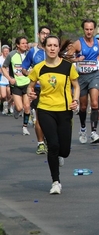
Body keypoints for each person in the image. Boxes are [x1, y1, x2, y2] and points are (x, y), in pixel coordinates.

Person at [27, 35, 80, 194]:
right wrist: (30, 94)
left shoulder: (68, 67)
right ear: (44, 47)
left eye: (55, 45)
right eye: (49, 45)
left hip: (64, 110)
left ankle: (58, 155)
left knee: (64, 151)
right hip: (45, 109)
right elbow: (30, 87)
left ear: (58, 48)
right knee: (54, 145)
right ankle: (55, 182)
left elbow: (76, 86)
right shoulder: (39, 68)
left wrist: (75, 100)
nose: (52, 48)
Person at [68, 19, 99, 144]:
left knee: (94, 103)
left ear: (94, 29)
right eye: (86, 29)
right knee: (83, 107)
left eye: (91, 29)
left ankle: (94, 132)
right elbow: (67, 57)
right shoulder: (78, 43)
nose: (89, 32)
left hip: (94, 75)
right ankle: (83, 128)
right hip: (81, 77)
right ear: (83, 30)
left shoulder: (98, 43)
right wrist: (76, 59)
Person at [21, 26, 51, 155]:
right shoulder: (33, 51)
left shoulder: (52, 50)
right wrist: (31, 76)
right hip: (37, 89)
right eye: (43, 33)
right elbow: (23, 68)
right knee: (40, 117)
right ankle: (40, 144)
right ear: (39, 34)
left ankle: (49, 139)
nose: (45, 35)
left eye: (47, 34)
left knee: (51, 118)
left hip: (52, 90)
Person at [1, 36, 32, 136]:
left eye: (26, 43)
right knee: (19, 108)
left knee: (27, 107)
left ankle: (24, 127)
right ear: (18, 45)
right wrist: (10, 79)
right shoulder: (12, 55)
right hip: (16, 84)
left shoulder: (29, 54)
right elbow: (3, 68)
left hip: (27, 84)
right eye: (22, 43)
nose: (25, 45)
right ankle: (16, 110)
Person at [0, 45, 11, 115]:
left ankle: (8, 106)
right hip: (2, 79)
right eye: (5, 51)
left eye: (7, 51)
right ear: (2, 52)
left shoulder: (11, 58)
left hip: (10, 79)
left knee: (10, 95)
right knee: (3, 96)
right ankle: (4, 105)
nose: (6, 52)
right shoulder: (0, 59)